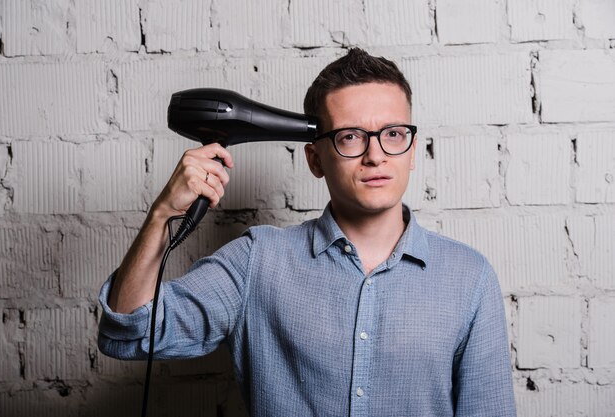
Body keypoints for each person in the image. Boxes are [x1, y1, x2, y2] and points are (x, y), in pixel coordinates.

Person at [98, 48, 516, 416]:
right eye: (351, 137)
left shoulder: (469, 278)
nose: (375, 156)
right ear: (315, 160)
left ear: (412, 151)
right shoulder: (257, 261)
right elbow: (128, 333)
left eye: (393, 134)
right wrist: (161, 216)